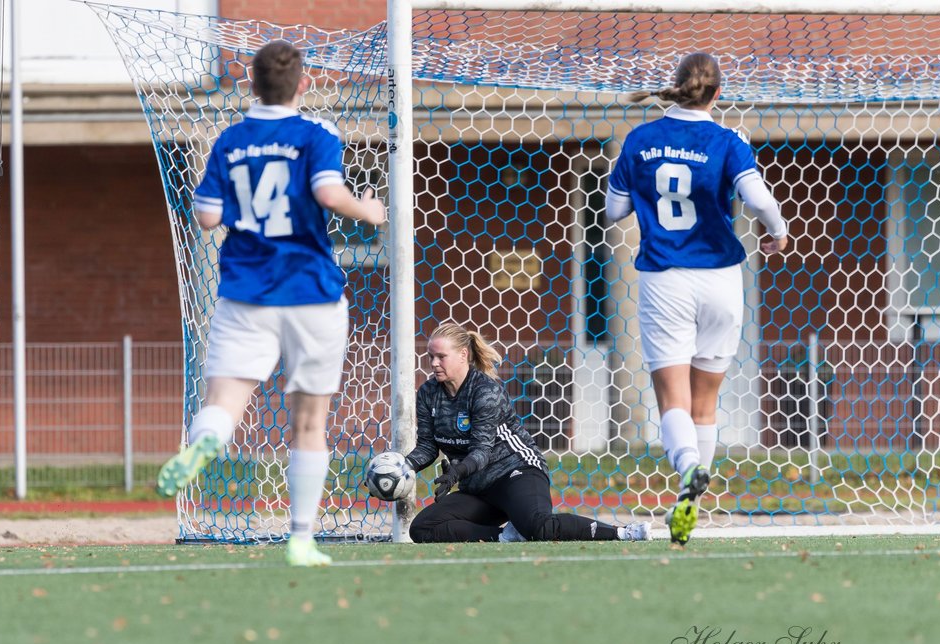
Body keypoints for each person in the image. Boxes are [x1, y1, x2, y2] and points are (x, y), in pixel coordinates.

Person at [155, 40, 386, 567]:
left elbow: (208, 218)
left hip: (245, 291)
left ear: (252, 85)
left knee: (224, 402)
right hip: (311, 292)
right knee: (308, 422)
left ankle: (205, 441)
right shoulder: (317, 133)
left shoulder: (230, 140)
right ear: (302, 85)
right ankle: (301, 539)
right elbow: (329, 193)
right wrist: (368, 210)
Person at [606, 52, 789, 546]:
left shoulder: (640, 140)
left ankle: (687, 467)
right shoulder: (728, 141)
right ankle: (690, 506)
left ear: (675, 87)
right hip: (722, 280)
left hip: (666, 279)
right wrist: (779, 232)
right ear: (716, 94)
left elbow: (612, 212)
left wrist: (629, 180)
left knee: (673, 398)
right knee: (705, 401)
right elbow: (760, 201)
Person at [403, 322, 652, 544]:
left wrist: (456, 471)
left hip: (517, 471)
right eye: (430, 356)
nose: (434, 363)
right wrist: (401, 468)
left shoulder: (485, 391)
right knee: (422, 528)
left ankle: (624, 533)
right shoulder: (428, 393)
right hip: (479, 487)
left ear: (463, 355)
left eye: (441, 356)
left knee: (538, 526)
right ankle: (503, 536)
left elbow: (482, 451)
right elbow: (427, 447)